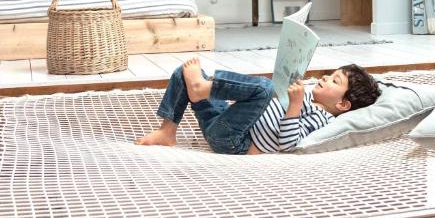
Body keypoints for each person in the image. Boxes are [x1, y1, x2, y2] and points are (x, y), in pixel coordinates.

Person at [136, 58, 380, 154]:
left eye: (334, 81)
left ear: (343, 104)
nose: (325, 78)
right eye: (330, 74)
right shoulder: (307, 97)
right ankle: (167, 130)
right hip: (226, 121)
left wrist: (293, 105)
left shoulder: (322, 119)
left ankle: (203, 88)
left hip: (236, 142)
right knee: (186, 72)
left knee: (263, 88)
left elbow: (288, 143)